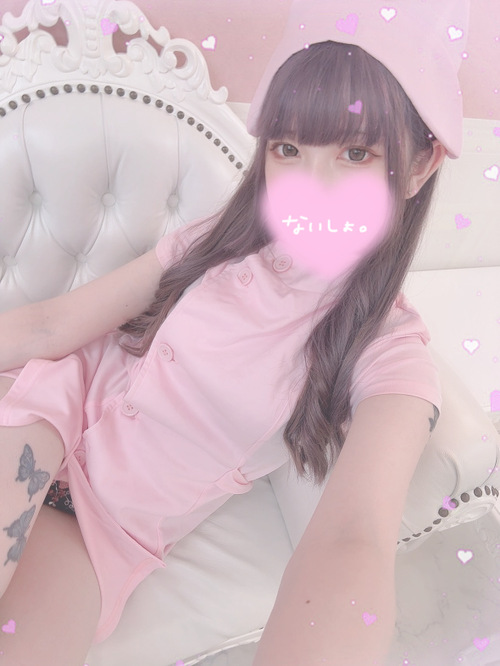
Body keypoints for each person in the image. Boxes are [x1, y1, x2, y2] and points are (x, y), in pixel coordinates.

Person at [0, 0, 470, 664]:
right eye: (288, 149)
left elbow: (353, 537)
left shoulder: (389, 354)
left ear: (420, 163)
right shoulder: (216, 241)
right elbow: (52, 325)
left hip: (103, 533)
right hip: (41, 410)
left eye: (355, 152)